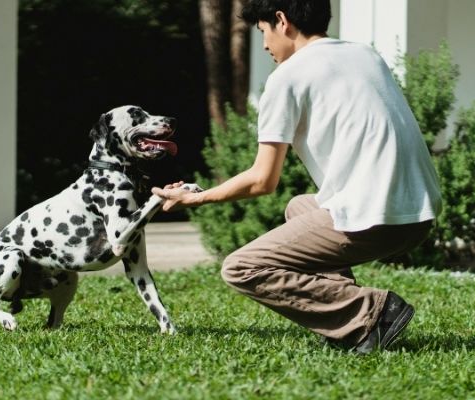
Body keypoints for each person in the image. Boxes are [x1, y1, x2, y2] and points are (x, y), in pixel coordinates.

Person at [152, 0, 441, 353]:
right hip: (419, 215)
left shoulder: (287, 77)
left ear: (282, 20)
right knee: (301, 207)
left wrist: (196, 197)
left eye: (263, 32)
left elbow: (262, 180)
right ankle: (354, 326)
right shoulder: (365, 55)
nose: (264, 45)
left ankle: (371, 313)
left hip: (377, 221)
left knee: (241, 268)